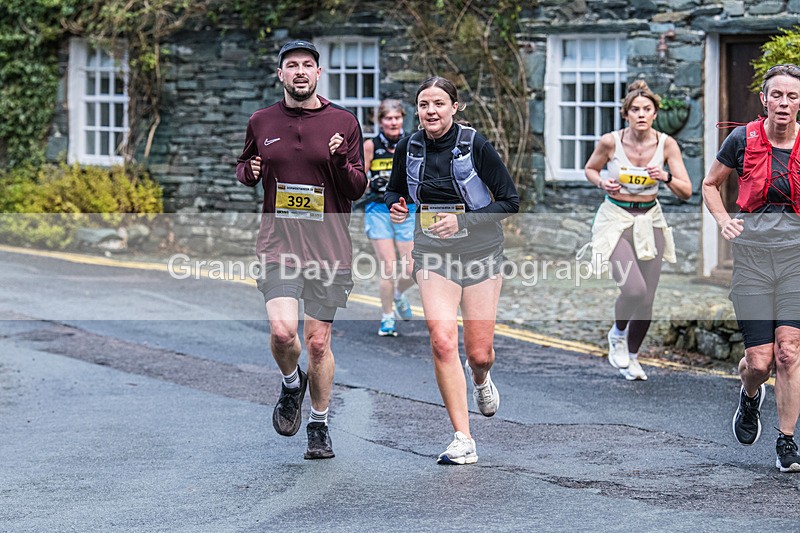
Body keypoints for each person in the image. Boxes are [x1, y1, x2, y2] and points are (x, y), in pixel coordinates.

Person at [235, 40, 367, 460]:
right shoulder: (261, 120)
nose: (300, 71)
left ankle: (319, 423)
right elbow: (245, 167)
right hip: (279, 245)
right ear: (281, 75)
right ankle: (292, 383)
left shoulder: (343, 122)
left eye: (307, 65)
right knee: (281, 331)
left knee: (317, 344)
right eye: (291, 65)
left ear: (318, 73)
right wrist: (248, 171)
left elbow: (357, 187)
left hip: (328, 249)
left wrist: (340, 162)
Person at [385, 76, 519, 465]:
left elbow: (509, 202)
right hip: (432, 253)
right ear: (418, 109)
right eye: (424, 104)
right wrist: (396, 205)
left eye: (439, 104)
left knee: (478, 353)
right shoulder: (408, 146)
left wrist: (464, 224)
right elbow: (395, 191)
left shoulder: (474, 144)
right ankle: (463, 437)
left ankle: (480, 377)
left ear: (455, 107)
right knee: (442, 339)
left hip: (480, 252)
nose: (431, 111)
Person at [702, 64, 800, 473]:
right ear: (764, 100)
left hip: (796, 261)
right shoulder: (742, 138)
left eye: (792, 96)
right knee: (759, 362)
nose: (784, 103)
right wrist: (724, 219)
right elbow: (710, 184)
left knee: (788, 352)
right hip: (754, 262)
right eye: (776, 95)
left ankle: (787, 440)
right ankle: (748, 395)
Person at [584, 79, 692, 381]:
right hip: (615, 218)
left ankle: (631, 356)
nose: (641, 114)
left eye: (647, 109)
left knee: (648, 299)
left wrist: (666, 176)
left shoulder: (666, 144)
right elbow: (591, 169)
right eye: (635, 109)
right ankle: (617, 334)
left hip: (650, 220)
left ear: (655, 114)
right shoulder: (610, 142)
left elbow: (686, 190)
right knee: (633, 289)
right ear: (626, 114)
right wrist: (601, 181)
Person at [362, 99, 416, 337]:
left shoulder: (414, 142)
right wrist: (372, 182)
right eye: (388, 118)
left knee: (413, 267)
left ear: (403, 118)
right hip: (378, 209)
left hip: (408, 208)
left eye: (397, 118)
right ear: (380, 121)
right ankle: (387, 317)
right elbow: (359, 179)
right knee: (388, 267)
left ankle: (398, 295)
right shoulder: (370, 146)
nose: (393, 122)